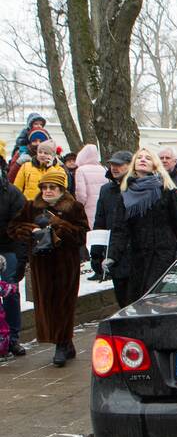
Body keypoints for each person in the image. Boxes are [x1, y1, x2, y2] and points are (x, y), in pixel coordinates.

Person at [7, 166, 88, 366]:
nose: (47, 191)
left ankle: (61, 344)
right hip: (41, 265)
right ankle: (66, 343)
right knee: (46, 305)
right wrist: (31, 230)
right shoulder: (31, 207)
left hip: (65, 265)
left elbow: (81, 235)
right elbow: (13, 228)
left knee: (63, 304)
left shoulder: (74, 207)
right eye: (44, 187)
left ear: (62, 189)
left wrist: (58, 225)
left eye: (52, 187)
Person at [104, 148, 177, 301]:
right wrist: (112, 255)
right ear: (134, 164)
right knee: (140, 298)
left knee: (160, 298)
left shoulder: (165, 189)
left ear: (154, 165)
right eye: (139, 158)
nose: (143, 160)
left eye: (147, 158)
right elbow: (120, 229)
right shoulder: (125, 194)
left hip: (164, 254)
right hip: (139, 256)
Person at [91, 152, 132, 297]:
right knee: (121, 296)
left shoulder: (137, 189)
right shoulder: (106, 190)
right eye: (112, 164)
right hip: (114, 252)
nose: (114, 168)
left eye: (119, 165)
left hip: (135, 254)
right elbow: (100, 222)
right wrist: (96, 254)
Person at [0, 167, 26, 356]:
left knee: (10, 292)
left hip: (8, 248)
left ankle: (13, 338)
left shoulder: (11, 192)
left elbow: (20, 223)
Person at [73, 144, 105, 228]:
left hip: (88, 207)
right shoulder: (103, 169)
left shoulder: (81, 170)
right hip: (102, 206)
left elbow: (81, 194)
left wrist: (80, 206)